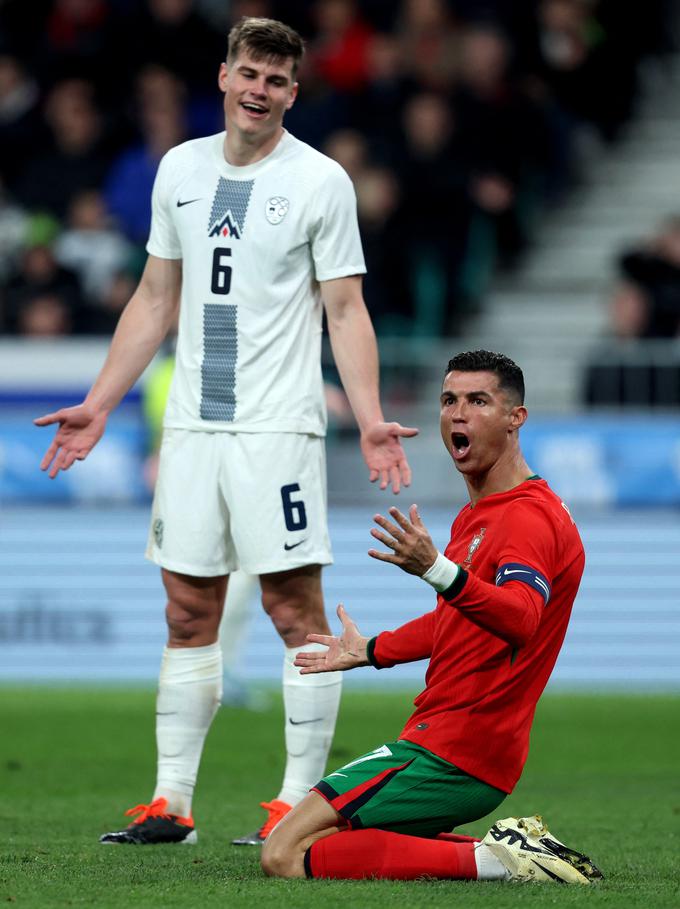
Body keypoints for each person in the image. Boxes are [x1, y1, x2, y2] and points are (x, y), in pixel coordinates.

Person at [34, 16, 416, 846]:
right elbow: (154, 298)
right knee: (185, 608)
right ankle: (172, 801)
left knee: (293, 610)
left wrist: (374, 416)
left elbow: (345, 310)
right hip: (193, 428)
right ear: (224, 75)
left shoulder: (321, 182)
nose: (259, 90)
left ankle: (298, 804)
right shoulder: (181, 168)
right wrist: (101, 400)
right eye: (249, 73)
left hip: (277, 427)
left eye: (277, 81)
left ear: (293, 93)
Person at [260, 350, 603, 885]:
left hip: (457, 750)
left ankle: (499, 862)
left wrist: (438, 569)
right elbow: (457, 621)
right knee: (332, 843)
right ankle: (519, 853)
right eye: (449, 400)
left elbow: (520, 618)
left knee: (284, 853)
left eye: (478, 401)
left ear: (516, 417)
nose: (458, 414)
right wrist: (372, 650)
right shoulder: (481, 513)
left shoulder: (527, 518)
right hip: (454, 744)